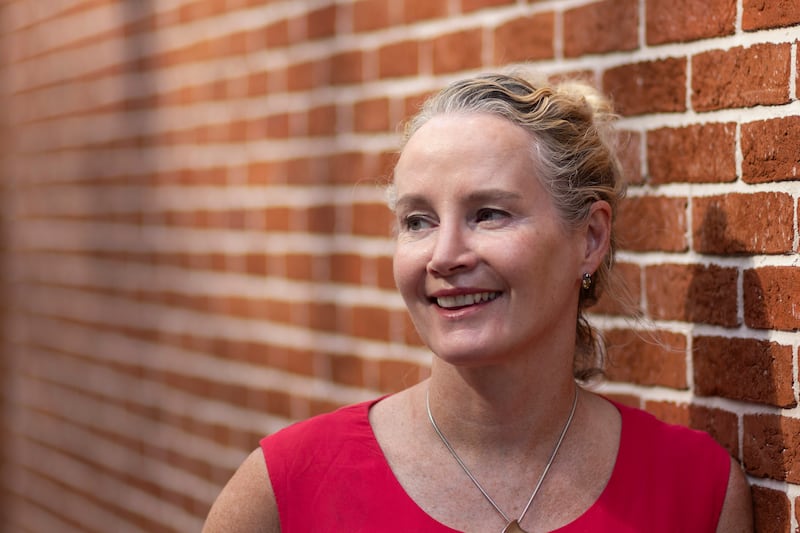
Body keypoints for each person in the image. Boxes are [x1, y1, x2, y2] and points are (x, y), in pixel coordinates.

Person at [203, 72, 753, 532]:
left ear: (589, 238)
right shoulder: (287, 488)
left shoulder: (699, 493)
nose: (444, 256)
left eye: (489, 213)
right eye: (418, 221)